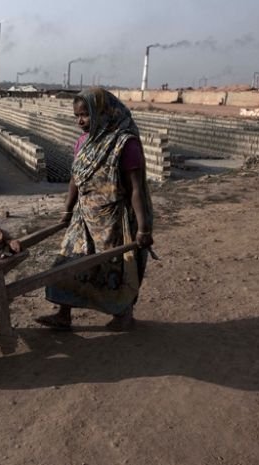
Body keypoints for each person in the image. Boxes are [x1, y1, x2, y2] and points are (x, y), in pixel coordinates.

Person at [36, 87, 154, 332]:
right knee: (68, 262)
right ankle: (63, 313)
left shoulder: (125, 144)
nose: (80, 121)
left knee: (115, 268)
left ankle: (123, 315)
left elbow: (136, 190)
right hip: (83, 215)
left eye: (85, 115)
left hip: (112, 219)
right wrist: (67, 211)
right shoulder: (84, 142)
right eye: (77, 116)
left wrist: (143, 228)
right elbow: (75, 179)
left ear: (103, 112)